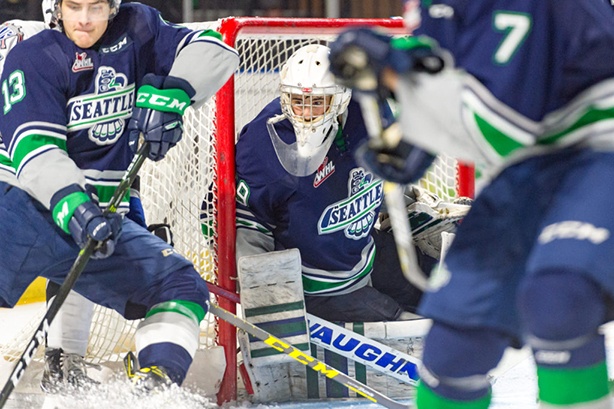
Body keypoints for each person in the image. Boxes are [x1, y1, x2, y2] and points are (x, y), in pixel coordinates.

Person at [328, 0, 614, 408]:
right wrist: (415, 135)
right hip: (526, 167)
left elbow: (504, 124)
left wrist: (391, 72)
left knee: (558, 301)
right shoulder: (438, 5)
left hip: (599, 152)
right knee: (453, 350)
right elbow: (448, 64)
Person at [0, 0, 238, 393]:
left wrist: (174, 94)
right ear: (55, 7)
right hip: (20, 207)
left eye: (96, 7)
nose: (85, 19)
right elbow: (36, 154)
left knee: (180, 285)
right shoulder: (33, 56)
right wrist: (77, 208)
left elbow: (216, 51)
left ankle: (154, 391)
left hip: (92, 216)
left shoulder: (138, 28)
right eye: (74, 6)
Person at [234, 43, 468, 323]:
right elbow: (242, 220)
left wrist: (406, 207)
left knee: (450, 293)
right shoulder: (264, 142)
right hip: (319, 285)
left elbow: (375, 176)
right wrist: (267, 298)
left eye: (318, 102)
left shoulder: (369, 110)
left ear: (343, 96)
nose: (306, 114)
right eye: (298, 101)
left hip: (364, 249)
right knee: (413, 326)